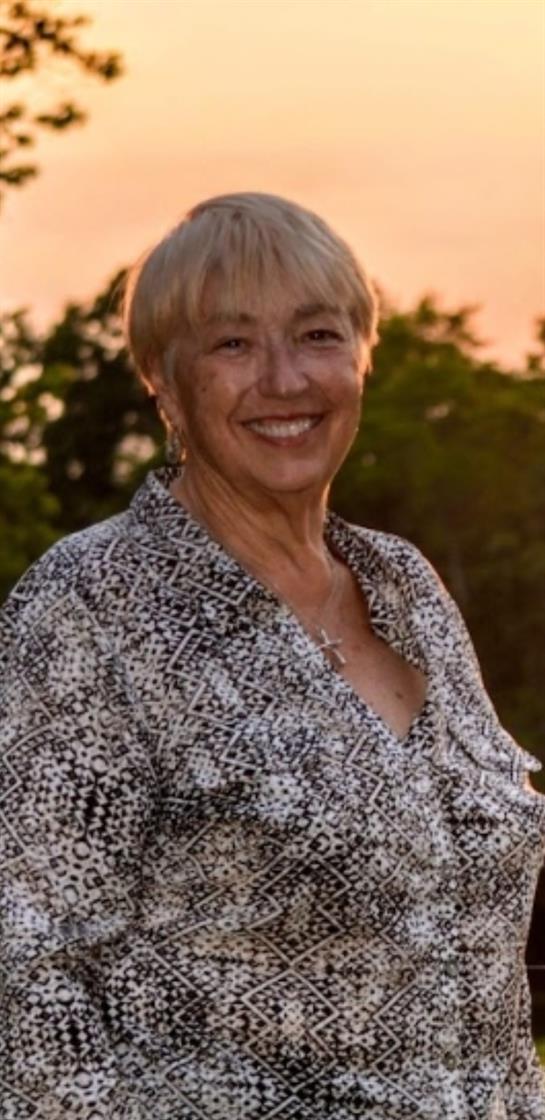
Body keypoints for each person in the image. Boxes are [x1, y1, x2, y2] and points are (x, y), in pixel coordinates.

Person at [1, 192, 544, 1120]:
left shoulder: (407, 589)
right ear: (163, 380)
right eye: (232, 343)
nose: (284, 379)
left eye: (317, 335)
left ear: (362, 355)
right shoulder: (91, 607)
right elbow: (27, 976)